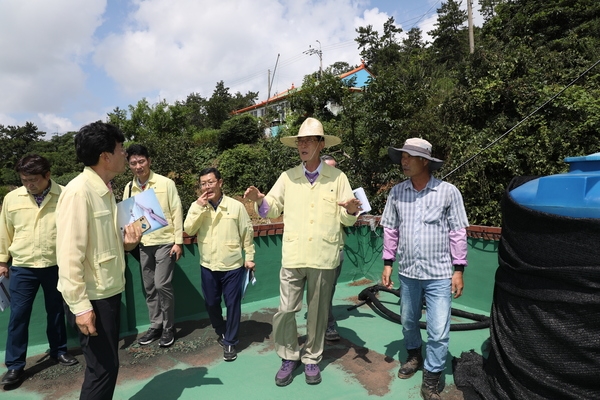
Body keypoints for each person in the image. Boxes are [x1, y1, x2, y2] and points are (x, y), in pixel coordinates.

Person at [244, 117, 361, 386]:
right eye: (300, 141)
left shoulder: (337, 177)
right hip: (294, 254)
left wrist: (351, 211)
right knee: (285, 310)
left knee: (319, 312)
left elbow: (346, 218)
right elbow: (271, 208)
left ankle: (311, 358)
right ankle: (288, 355)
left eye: (309, 140)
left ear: (320, 144)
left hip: (323, 254)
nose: (303, 145)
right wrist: (259, 199)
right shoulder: (288, 177)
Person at [56, 121, 142, 400]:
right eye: (121, 149)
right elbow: (69, 254)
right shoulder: (79, 192)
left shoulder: (103, 189)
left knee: (106, 366)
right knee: (102, 369)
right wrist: (80, 307)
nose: (124, 155)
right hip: (93, 298)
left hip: (107, 291)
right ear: (105, 155)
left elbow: (102, 242)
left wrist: (127, 245)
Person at [380, 138, 469, 400]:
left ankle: (431, 379)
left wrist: (458, 269)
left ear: (425, 162)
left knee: (439, 329)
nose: (403, 161)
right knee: (408, 320)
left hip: (440, 274)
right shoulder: (397, 192)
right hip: (407, 273)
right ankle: (414, 354)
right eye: (403, 156)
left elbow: (457, 232)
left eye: (409, 157)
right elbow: (391, 230)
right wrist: (388, 263)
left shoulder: (448, 192)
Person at [0, 155, 78, 386]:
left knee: (56, 311)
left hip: (56, 264)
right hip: (23, 266)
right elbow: (4, 231)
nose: (29, 184)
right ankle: (15, 366)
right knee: (18, 316)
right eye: (24, 180)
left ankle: (59, 350)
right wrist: (3, 261)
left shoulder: (64, 195)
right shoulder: (12, 199)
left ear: (47, 176)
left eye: (33, 180)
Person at [184, 167, 255, 362]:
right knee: (211, 302)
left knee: (233, 304)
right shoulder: (198, 206)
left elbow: (246, 233)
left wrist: (249, 257)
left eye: (210, 182)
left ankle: (231, 341)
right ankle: (221, 330)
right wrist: (198, 205)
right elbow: (189, 230)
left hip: (232, 265)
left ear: (220, 183)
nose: (207, 187)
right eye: (203, 184)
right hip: (208, 264)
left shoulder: (236, 207)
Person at [124, 144, 183, 348]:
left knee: (161, 284)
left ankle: (168, 327)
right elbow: (127, 217)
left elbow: (176, 210)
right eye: (133, 163)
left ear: (149, 161)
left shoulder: (165, 183)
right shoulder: (128, 188)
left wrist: (178, 241)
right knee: (149, 288)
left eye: (141, 161)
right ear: (129, 165)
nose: (138, 166)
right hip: (143, 244)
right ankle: (156, 325)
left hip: (165, 242)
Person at [320, 154, 345, 342]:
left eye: (335, 167)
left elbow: (349, 220)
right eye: (330, 167)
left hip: (339, 249)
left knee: (330, 289)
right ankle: (327, 325)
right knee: (323, 290)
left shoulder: (343, 190)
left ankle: (324, 320)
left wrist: (352, 210)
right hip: (320, 251)